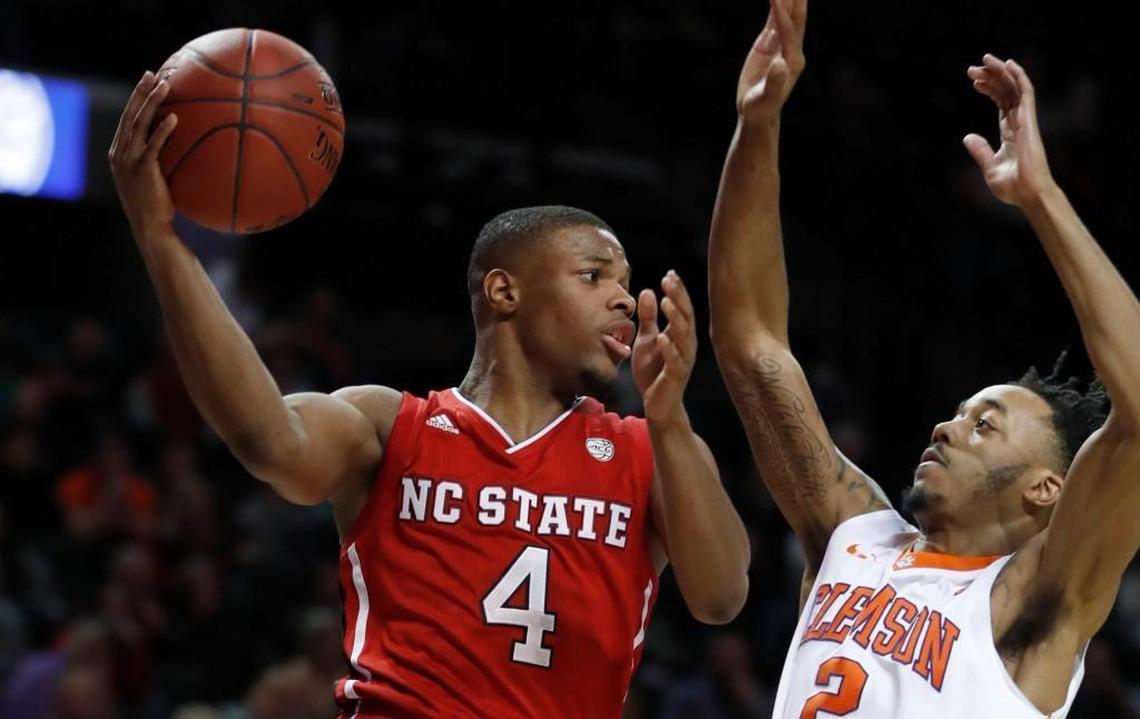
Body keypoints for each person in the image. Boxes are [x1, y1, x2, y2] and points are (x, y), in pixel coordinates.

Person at [107, 71, 750, 718]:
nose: (622, 296)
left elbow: (721, 594)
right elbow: (266, 438)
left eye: (626, 281)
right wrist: (161, 242)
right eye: (593, 275)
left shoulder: (650, 449)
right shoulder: (390, 428)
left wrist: (668, 418)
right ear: (505, 292)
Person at [708, 1, 1134, 716]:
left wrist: (1041, 197)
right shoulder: (853, 531)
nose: (946, 427)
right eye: (962, 414)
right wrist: (758, 124)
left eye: (985, 425)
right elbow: (751, 341)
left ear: (1045, 489)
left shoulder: (1035, 601)